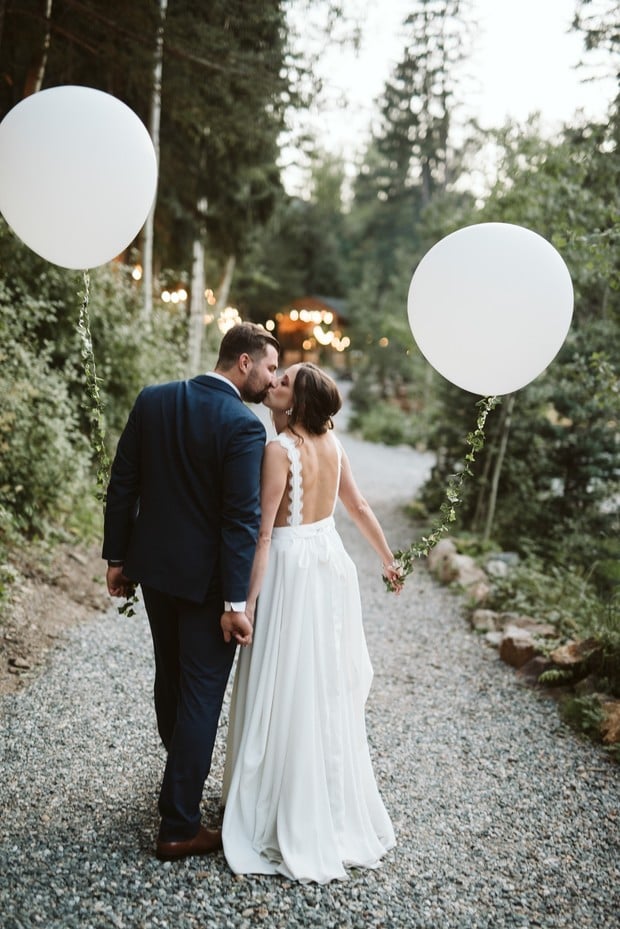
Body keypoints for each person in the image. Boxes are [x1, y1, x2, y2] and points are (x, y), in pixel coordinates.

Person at [102, 322, 280, 862]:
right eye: (270, 367)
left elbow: (122, 481)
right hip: (206, 588)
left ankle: (179, 775)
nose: (272, 381)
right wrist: (234, 603)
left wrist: (116, 557)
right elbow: (239, 520)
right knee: (201, 694)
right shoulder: (244, 427)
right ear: (243, 362)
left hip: (154, 572)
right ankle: (178, 825)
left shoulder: (153, 400)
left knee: (171, 677)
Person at [221, 362, 403, 883]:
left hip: (290, 570)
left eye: (283, 383)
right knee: (318, 682)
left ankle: (278, 804)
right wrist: (388, 560)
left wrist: (244, 604)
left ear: (296, 404)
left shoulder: (278, 451)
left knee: (283, 679)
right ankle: (320, 796)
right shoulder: (334, 444)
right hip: (327, 564)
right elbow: (359, 505)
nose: (272, 385)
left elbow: (261, 534)